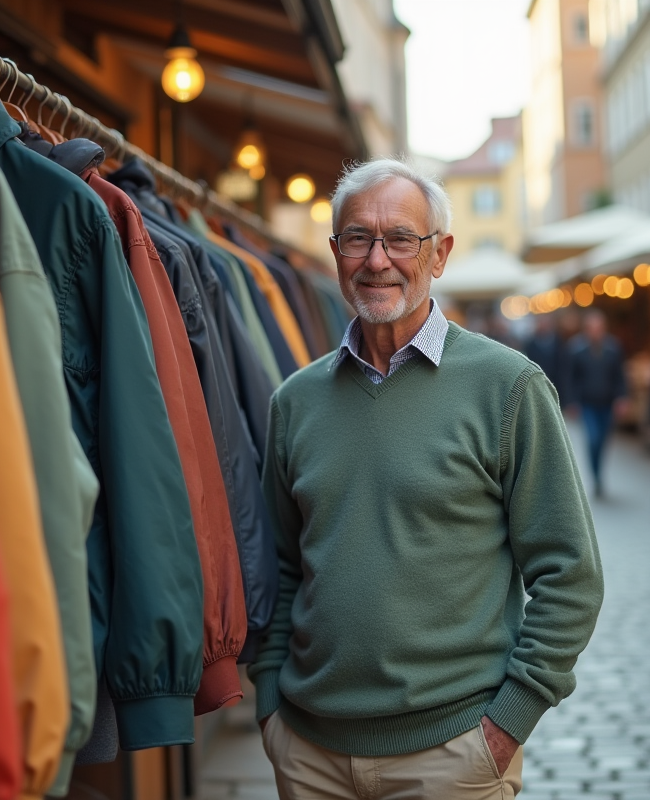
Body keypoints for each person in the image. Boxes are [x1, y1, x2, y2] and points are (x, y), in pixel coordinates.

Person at [249, 157, 604, 800]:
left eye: (400, 240)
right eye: (358, 237)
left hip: (453, 754)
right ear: (335, 253)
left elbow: (569, 573)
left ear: (439, 254)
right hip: (309, 751)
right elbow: (278, 568)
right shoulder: (295, 401)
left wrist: (507, 722)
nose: (377, 259)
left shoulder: (508, 387)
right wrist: (271, 701)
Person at [566, 310, 627, 497]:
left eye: (599, 328)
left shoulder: (613, 348)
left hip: (606, 403)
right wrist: (572, 401)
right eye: (592, 328)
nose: (595, 332)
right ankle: (596, 476)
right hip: (587, 403)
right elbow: (570, 378)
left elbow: (619, 376)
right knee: (593, 439)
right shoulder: (576, 349)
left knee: (602, 441)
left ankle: (599, 472)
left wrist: (622, 397)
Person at [524, 313, 568, 405]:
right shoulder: (530, 344)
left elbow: (563, 367)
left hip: (557, 385)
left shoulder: (559, 342)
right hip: (537, 385)